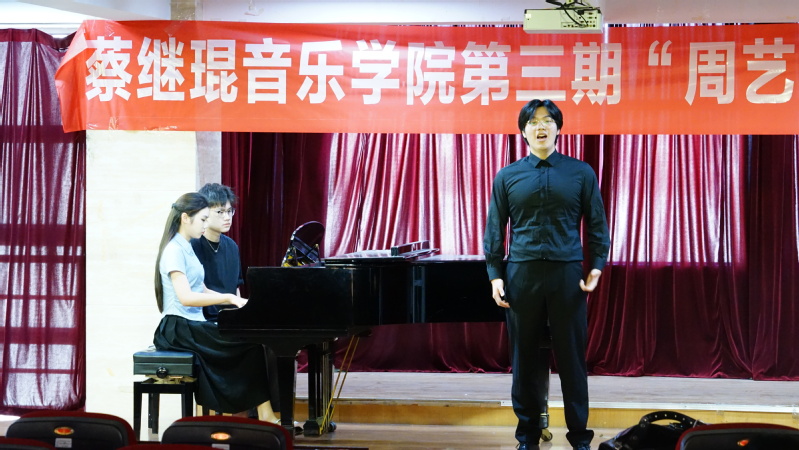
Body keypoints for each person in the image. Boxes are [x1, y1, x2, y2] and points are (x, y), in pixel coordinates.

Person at [483, 99, 610, 450]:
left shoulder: (581, 172)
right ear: (523, 132)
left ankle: (579, 437)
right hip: (521, 274)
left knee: (572, 359)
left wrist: (597, 266)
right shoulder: (507, 176)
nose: (541, 126)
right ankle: (527, 437)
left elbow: (597, 223)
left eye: (548, 120)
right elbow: (495, 228)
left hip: (567, 274)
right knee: (524, 360)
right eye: (533, 122)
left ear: (558, 128)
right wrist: (495, 274)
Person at [153, 192, 276, 419]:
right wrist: (227, 298)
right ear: (185, 218)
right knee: (248, 345)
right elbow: (186, 298)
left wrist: (238, 300)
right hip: (178, 328)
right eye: (202, 219)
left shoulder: (186, 247)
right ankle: (246, 413)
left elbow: (201, 288)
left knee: (250, 342)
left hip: (192, 324)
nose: (205, 224)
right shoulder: (173, 250)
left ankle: (257, 412)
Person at [189, 182, 281, 423]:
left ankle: (269, 412)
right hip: (205, 320)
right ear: (204, 213)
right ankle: (259, 414)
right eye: (220, 211)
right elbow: (195, 292)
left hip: (230, 318)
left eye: (230, 211)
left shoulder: (231, 246)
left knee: (273, 344)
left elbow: (236, 288)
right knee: (251, 346)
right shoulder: (193, 246)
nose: (227, 217)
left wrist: (248, 313)